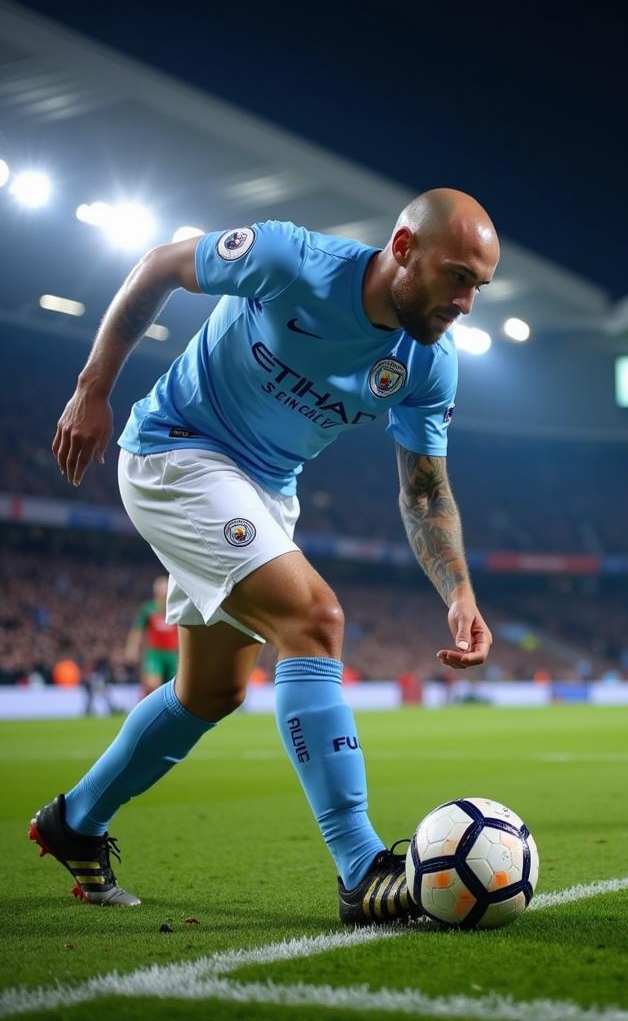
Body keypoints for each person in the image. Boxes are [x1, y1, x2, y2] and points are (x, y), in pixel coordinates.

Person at [31, 189, 500, 924]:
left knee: (209, 694)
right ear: (404, 249)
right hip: (178, 450)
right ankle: (360, 866)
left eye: (480, 286)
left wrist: (459, 593)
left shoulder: (428, 364)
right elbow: (158, 266)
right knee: (315, 620)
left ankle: (75, 821)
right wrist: (93, 389)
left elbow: (425, 494)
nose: (468, 303)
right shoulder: (293, 260)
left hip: (266, 492)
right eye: (458, 277)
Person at [124, 576, 179, 697]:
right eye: (161, 587)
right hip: (155, 653)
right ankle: (143, 708)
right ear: (155, 590)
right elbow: (137, 631)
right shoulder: (148, 608)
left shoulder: (175, 608)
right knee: (152, 685)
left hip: (172, 653)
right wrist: (132, 649)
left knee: (174, 688)